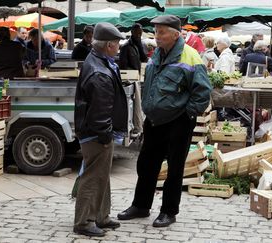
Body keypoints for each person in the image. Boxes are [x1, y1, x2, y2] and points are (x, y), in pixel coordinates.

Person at [117, 15, 212, 227]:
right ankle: (141, 206)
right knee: (146, 164)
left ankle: (169, 211)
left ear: (175, 34)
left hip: (178, 121)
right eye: (156, 32)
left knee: (175, 168)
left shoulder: (190, 56)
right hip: (154, 120)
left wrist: (187, 113)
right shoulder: (156, 55)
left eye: (161, 32)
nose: (156, 36)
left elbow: (203, 91)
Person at [73, 22, 127, 237]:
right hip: (96, 134)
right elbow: (100, 111)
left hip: (96, 131)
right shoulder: (99, 71)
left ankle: (101, 216)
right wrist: (105, 135)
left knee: (101, 175)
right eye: (117, 44)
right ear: (109, 46)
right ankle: (84, 222)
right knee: (94, 177)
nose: (119, 48)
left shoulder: (98, 61)